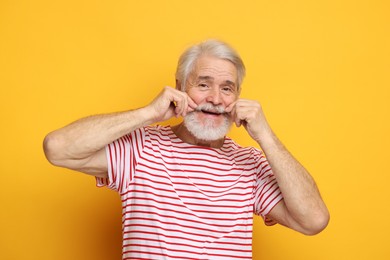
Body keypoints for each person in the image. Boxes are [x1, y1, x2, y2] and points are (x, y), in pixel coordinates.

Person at [43, 39, 329, 260]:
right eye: (203, 84)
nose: (215, 99)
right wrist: (147, 113)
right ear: (180, 87)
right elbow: (58, 148)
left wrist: (266, 137)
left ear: (238, 97)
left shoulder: (250, 163)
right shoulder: (141, 148)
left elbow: (314, 220)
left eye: (227, 89)